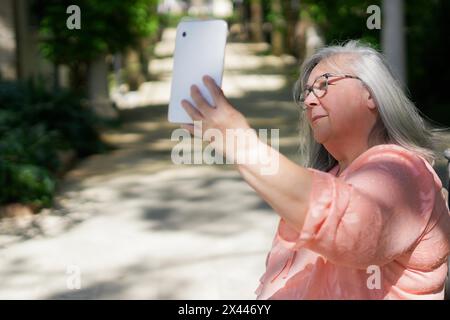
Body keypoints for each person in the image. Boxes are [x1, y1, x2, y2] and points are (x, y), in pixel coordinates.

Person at [180, 40, 450, 299]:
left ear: (371, 94)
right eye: (307, 92)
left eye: (323, 84)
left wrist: (237, 140)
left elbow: (348, 226)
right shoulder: (330, 178)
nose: (309, 101)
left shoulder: (404, 171)